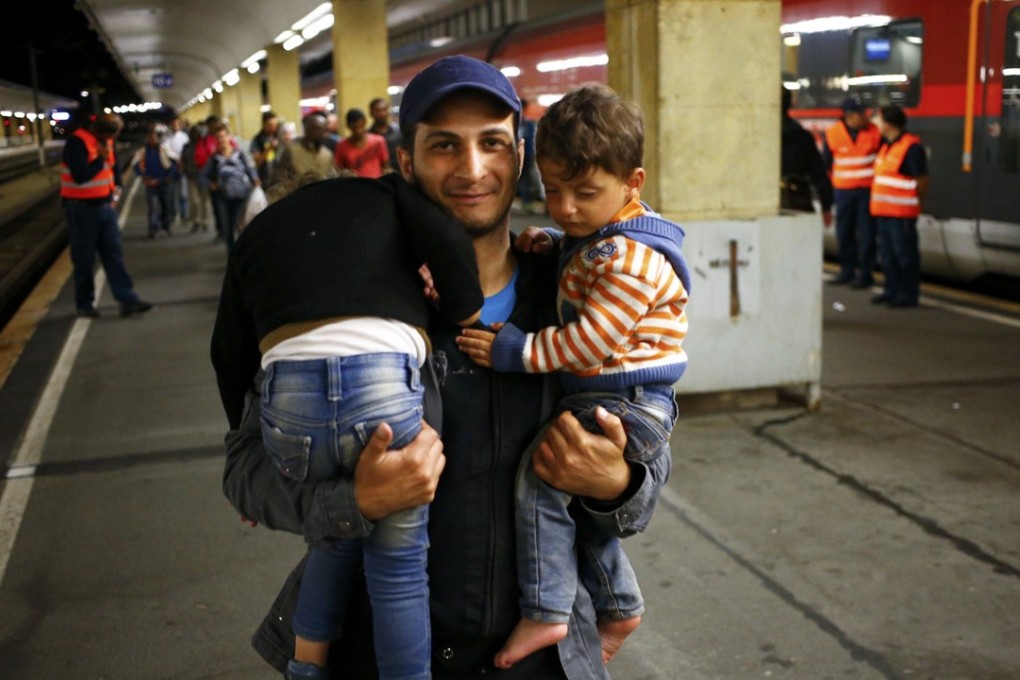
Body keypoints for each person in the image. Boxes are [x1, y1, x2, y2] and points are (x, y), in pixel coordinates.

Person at [221, 55, 661, 680]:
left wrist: (618, 481)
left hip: (540, 656)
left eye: (492, 144)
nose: (473, 169)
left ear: (520, 156)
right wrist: (354, 501)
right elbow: (245, 470)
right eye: (444, 146)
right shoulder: (350, 298)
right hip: (373, 650)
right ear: (406, 164)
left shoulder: (577, 293)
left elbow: (647, 466)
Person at [212, 171, 484, 680]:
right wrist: (464, 308)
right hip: (382, 396)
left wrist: (250, 434)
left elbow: (226, 353)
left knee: (334, 539)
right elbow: (447, 241)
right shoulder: (387, 197)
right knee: (398, 571)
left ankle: (305, 666)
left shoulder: (258, 237)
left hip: (294, 416)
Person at [455, 84, 687, 669]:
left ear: (632, 184)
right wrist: (556, 243)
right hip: (609, 395)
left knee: (543, 479)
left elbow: (591, 338)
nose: (565, 209)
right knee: (561, 495)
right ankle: (619, 602)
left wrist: (516, 351)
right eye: (552, 192)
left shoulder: (631, 261)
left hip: (626, 401)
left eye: (584, 194)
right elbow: (586, 252)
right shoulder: (596, 239)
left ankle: (548, 610)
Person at [59, 113, 152, 319]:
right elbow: (81, 175)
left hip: (105, 208)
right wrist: (100, 159)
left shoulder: (106, 141)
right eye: (111, 135)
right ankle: (84, 304)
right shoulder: (77, 142)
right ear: (100, 131)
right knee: (84, 259)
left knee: (114, 254)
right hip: (82, 209)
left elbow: (114, 169)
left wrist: (116, 191)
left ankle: (127, 300)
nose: (112, 140)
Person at [870, 104, 929, 308]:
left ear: (888, 124)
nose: (875, 123)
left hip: (902, 214)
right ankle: (891, 290)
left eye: (878, 119)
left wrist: (915, 202)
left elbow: (922, 180)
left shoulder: (911, 148)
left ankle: (908, 295)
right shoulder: (887, 146)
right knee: (887, 256)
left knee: (905, 256)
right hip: (884, 212)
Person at [823, 96, 882, 287]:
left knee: (867, 233)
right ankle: (847, 271)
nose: (864, 117)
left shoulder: (874, 132)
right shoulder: (833, 133)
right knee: (844, 232)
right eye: (860, 114)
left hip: (866, 190)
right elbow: (827, 164)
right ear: (848, 116)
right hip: (843, 191)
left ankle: (865, 274)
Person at [201, 123, 259, 253]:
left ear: (229, 137)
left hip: (242, 196)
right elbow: (202, 176)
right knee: (227, 230)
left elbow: (250, 169)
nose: (221, 140)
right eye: (218, 138)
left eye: (223, 136)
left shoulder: (240, 154)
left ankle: (244, 256)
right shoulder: (214, 159)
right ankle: (232, 257)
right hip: (223, 198)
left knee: (242, 228)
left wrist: (254, 178)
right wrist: (212, 185)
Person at [780, 88, 833, 225]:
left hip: (763, 202)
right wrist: (826, 206)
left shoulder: (755, 138)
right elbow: (819, 174)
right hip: (796, 198)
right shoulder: (801, 137)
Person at [133, 128, 177, 239]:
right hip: (150, 182)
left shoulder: (164, 149)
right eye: (150, 138)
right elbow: (136, 165)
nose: (152, 140)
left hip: (164, 182)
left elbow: (173, 164)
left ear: (158, 139)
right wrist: (144, 176)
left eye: (154, 137)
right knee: (153, 206)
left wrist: (166, 177)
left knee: (165, 205)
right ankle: (153, 228)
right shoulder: (143, 151)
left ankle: (165, 227)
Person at [272, 112, 337, 187]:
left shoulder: (327, 155)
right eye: (320, 130)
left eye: (326, 130)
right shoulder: (291, 151)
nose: (325, 134)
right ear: (308, 130)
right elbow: (279, 179)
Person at [334, 108, 390, 178]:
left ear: (364, 123)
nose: (358, 131)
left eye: (360, 127)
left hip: (377, 185)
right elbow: (338, 169)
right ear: (348, 126)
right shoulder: (341, 146)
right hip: (354, 186)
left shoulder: (379, 141)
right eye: (355, 128)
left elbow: (385, 165)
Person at [182, 124, 211, 233]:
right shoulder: (187, 146)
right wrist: (185, 170)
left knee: (205, 200)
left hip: (204, 176)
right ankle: (196, 221)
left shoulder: (204, 145)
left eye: (197, 133)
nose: (195, 135)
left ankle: (205, 221)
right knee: (194, 200)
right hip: (192, 176)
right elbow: (183, 159)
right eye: (193, 133)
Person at [162, 116, 191, 224]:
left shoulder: (184, 137)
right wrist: (176, 158)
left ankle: (184, 215)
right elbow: (166, 150)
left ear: (180, 125)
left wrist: (182, 160)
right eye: (173, 124)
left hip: (182, 167)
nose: (175, 126)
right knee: (172, 193)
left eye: (177, 124)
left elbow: (187, 150)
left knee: (183, 193)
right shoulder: (166, 137)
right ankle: (173, 214)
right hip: (171, 167)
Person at [369, 97, 402, 172]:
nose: (382, 113)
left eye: (384, 110)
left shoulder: (399, 131)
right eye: (377, 111)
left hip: (399, 175)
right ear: (371, 113)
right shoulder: (368, 136)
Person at [250, 111, 281, 187]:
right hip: (265, 180)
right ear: (264, 124)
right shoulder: (257, 140)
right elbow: (258, 162)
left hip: (280, 178)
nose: (273, 127)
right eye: (270, 125)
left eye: (275, 125)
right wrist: (269, 148)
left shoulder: (280, 137)